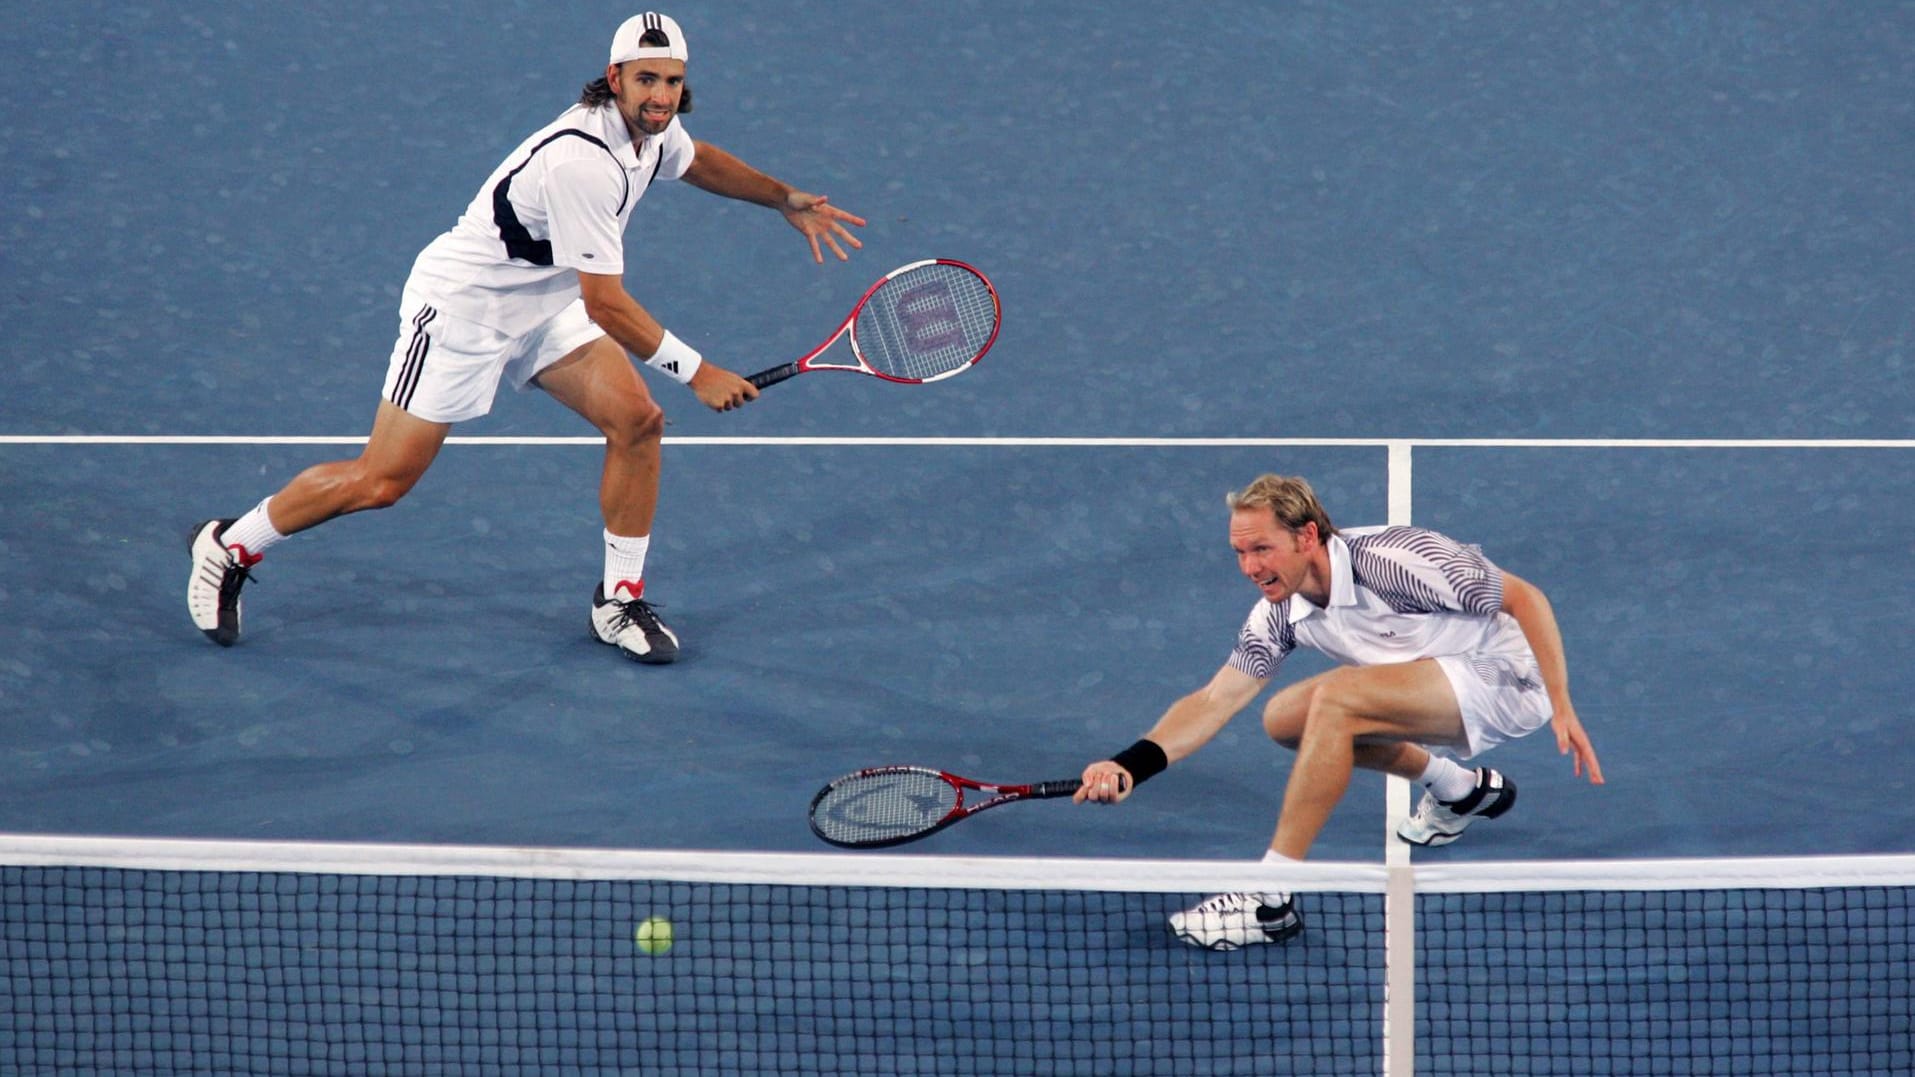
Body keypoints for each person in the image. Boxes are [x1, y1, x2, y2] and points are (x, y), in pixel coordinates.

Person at [187, 12, 865, 662]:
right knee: (381, 480)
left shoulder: (652, 131)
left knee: (636, 421)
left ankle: (619, 599)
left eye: (672, 80)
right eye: (647, 80)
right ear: (615, 77)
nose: (661, 95)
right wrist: (695, 370)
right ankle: (231, 544)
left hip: (543, 302)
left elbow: (694, 160)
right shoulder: (583, 163)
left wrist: (780, 196)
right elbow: (606, 304)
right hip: (464, 310)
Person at [1075, 474, 1603, 950]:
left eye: (1262, 548)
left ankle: (1269, 900)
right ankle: (1460, 790)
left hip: (1505, 674)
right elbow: (1217, 699)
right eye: (1239, 553)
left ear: (1307, 536)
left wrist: (1562, 705)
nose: (1250, 568)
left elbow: (1526, 598)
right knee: (1283, 719)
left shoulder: (1398, 561)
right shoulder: (1279, 611)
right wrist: (1130, 765)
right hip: (1421, 675)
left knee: (1337, 701)